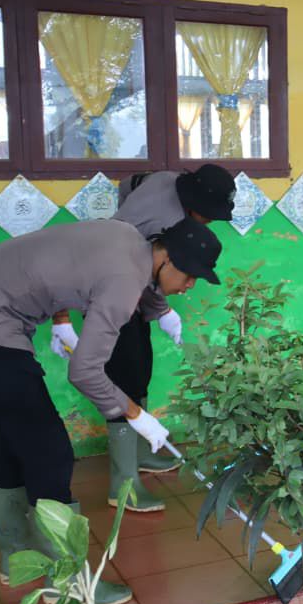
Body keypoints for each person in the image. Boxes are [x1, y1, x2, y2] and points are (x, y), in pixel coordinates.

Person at [0, 217, 222, 603]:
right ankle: (69, 583)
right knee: (50, 451)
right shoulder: (124, 284)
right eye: (190, 276)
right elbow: (85, 371)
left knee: (13, 441)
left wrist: (61, 320)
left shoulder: (129, 238)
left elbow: (63, 262)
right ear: (167, 260)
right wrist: (136, 415)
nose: (189, 286)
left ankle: (17, 560)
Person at [52, 163, 235, 513]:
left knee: (140, 368)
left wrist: (159, 311)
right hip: (109, 288)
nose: (210, 221)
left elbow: (128, 185)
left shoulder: (166, 180)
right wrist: (162, 310)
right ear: (193, 204)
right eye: (209, 215)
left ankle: (140, 454)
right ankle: (124, 485)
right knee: (121, 378)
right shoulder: (165, 224)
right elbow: (144, 264)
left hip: (132, 287)